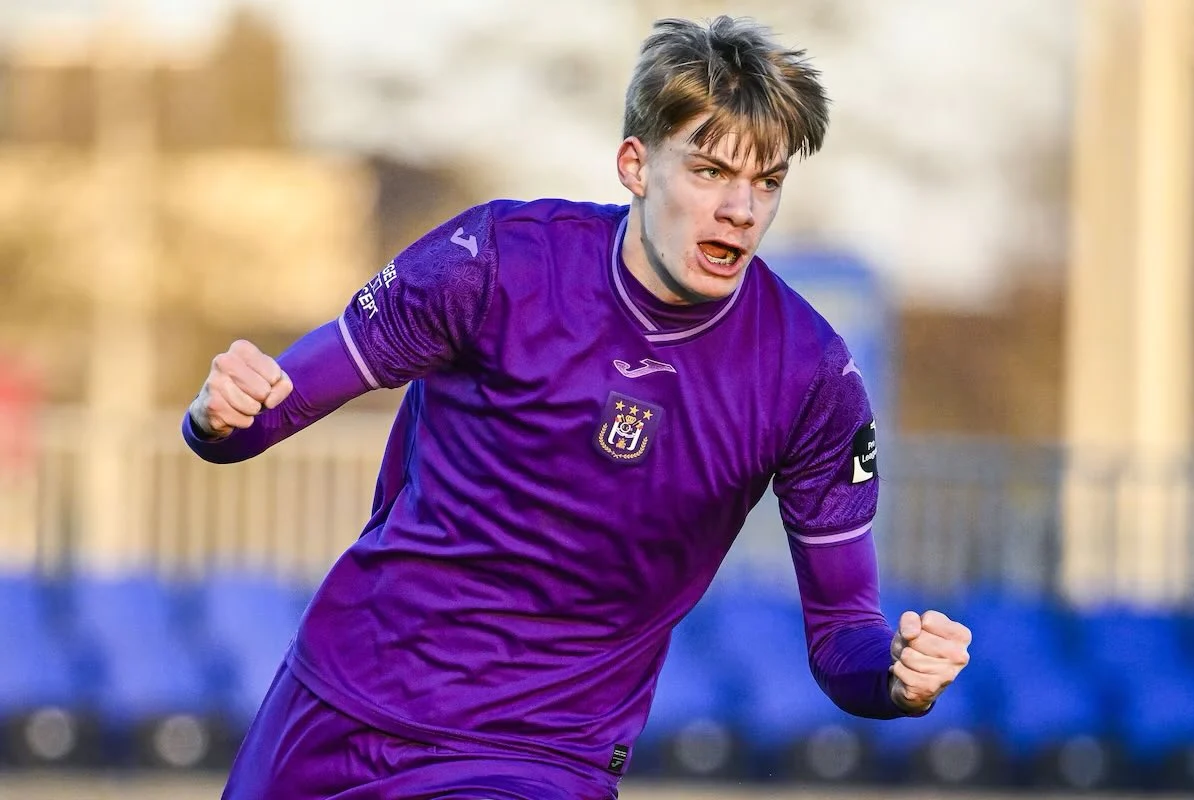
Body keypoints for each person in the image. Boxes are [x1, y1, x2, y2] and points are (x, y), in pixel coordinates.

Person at [184, 15, 972, 800]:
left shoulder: (809, 377)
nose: (741, 208)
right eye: (709, 171)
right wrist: (219, 413)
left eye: (767, 181)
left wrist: (896, 677)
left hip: (537, 757)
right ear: (636, 164)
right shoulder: (492, 262)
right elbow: (262, 416)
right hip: (339, 701)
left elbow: (843, 635)